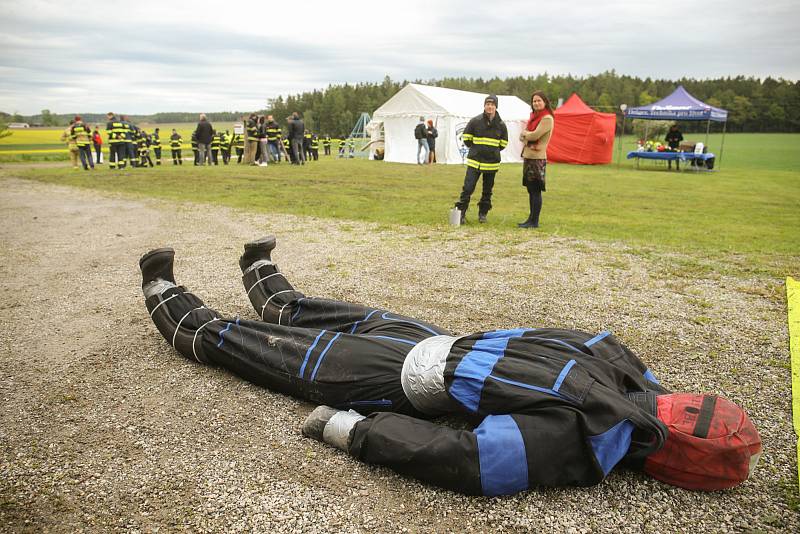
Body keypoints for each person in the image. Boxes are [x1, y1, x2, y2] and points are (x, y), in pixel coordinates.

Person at [139, 237, 761, 497]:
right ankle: (263, 276)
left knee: (258, 348)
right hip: (440, 345)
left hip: (403, 380)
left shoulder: (587, 437)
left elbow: (466, 459)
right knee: (330, 314)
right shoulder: (628, 386)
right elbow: (591, 340)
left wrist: (349, 428)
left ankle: (168, 301)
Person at [454, 95, 508, 224]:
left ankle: (483, 213)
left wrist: (491, 151)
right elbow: (466, 138)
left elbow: (503, 143)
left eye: (492, 104)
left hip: (491, 164)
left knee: (487, 191)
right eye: (487, 104)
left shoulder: (501, 125)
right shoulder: (475, 121)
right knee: (468, 188)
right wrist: (477, 149)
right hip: (475, 162)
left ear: (496, 107)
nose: (490, 106)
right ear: (484, 106)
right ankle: (460, 213)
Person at [518, 91, 555, 229]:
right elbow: (522, 136)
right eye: (534, 101)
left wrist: (526, 135)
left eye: (539, 100)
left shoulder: (547, 118)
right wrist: (527, 136)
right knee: (530, 189)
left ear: (545, 102)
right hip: (529, 156)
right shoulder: (533, 117)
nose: (536, 103)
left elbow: (534, 135)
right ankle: (530, 219)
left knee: (535, 190)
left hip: (537, 158)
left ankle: (534, 221)